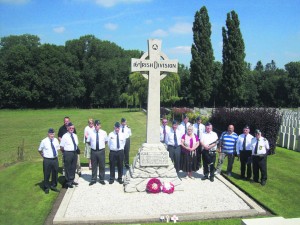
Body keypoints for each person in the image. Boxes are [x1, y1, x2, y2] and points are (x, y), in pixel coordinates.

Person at [38, 128, 60, 194]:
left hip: (55, 159)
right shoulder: (44, 141)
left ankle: (53, 186)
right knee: (47, 173)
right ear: (48, 134)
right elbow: (39, 150)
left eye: (53, 134)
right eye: (50, 134)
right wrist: (43, 156)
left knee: (55, 173)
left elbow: (57, 148)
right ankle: (46, 187)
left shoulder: (56, 140)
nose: (52, 135)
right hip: (47, 160)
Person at [87, 120, 107, 186]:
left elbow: (106, 141)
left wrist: (101, 146)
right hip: (94, 151)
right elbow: (89, 142)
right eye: (95, 124)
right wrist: (94, 146)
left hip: (101, 151)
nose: (96, 126)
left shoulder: (104, 132)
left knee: (102, 165)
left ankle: (101, 179)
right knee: (94, 165)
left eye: (98, 124)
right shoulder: (91, 133)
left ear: (100, 125)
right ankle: (93, 179)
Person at [60, 122, 79, 188]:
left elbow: (76, 144)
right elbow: (61, 147)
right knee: (67, 167)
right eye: (70, 128)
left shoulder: (75, 135)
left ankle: (72, 180)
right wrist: (65, 153)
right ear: (68, 128)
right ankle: (68, 181)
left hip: (74, 152)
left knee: (73, 167)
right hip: (68, 153)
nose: (71, 129)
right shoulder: (65, 136)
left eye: (73, 128)